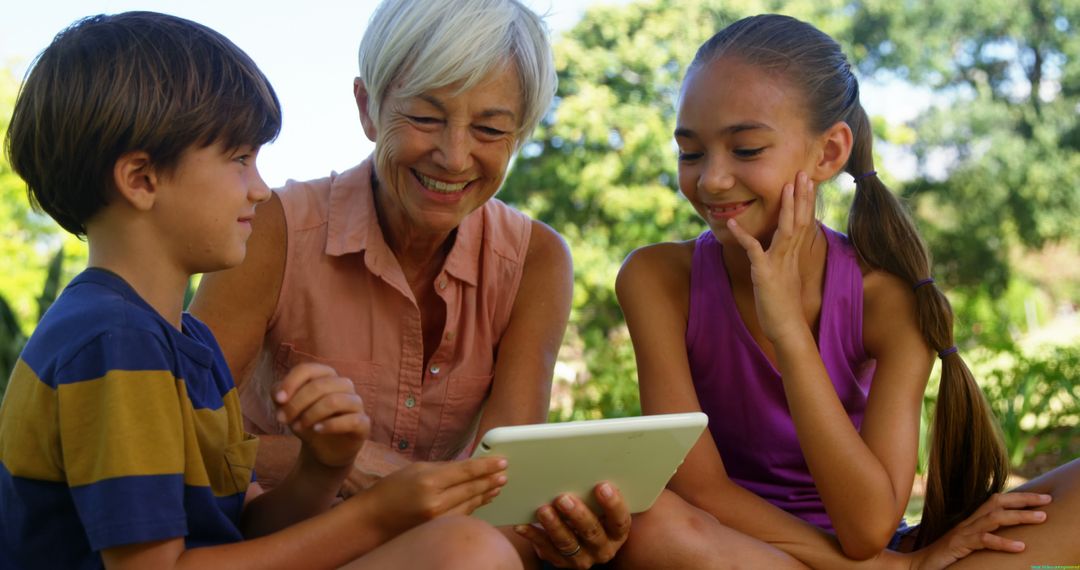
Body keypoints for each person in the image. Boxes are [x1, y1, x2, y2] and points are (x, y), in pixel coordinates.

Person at [0, 12, 522, 569]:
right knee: (466, 552)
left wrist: (324, 467)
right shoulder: (115, 343)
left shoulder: (186, 342)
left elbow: (237, 533)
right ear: (142, 179)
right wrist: (376, 515)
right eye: (240, 160)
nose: (259, 190)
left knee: (463, 548)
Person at [612, 13, 1080, 569]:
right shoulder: (656, 278)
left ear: (829, 154)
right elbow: (702, 492)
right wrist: (893, 569)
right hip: (739, 548)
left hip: (863, 548)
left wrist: (788, 330)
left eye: (745, 150)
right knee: (653, 526)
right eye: (690, 153)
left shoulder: (889, 300)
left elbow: (864, 529)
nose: (711, 179)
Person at [189, 0, 630, 567]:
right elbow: (186, 437)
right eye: (425, 118)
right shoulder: (274, 227)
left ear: (519, 134)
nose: (453, 156)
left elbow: (507, 478)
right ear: (368, 108)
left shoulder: (536, 260)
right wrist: (356, 464)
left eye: (491, 129)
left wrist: (566, 525)